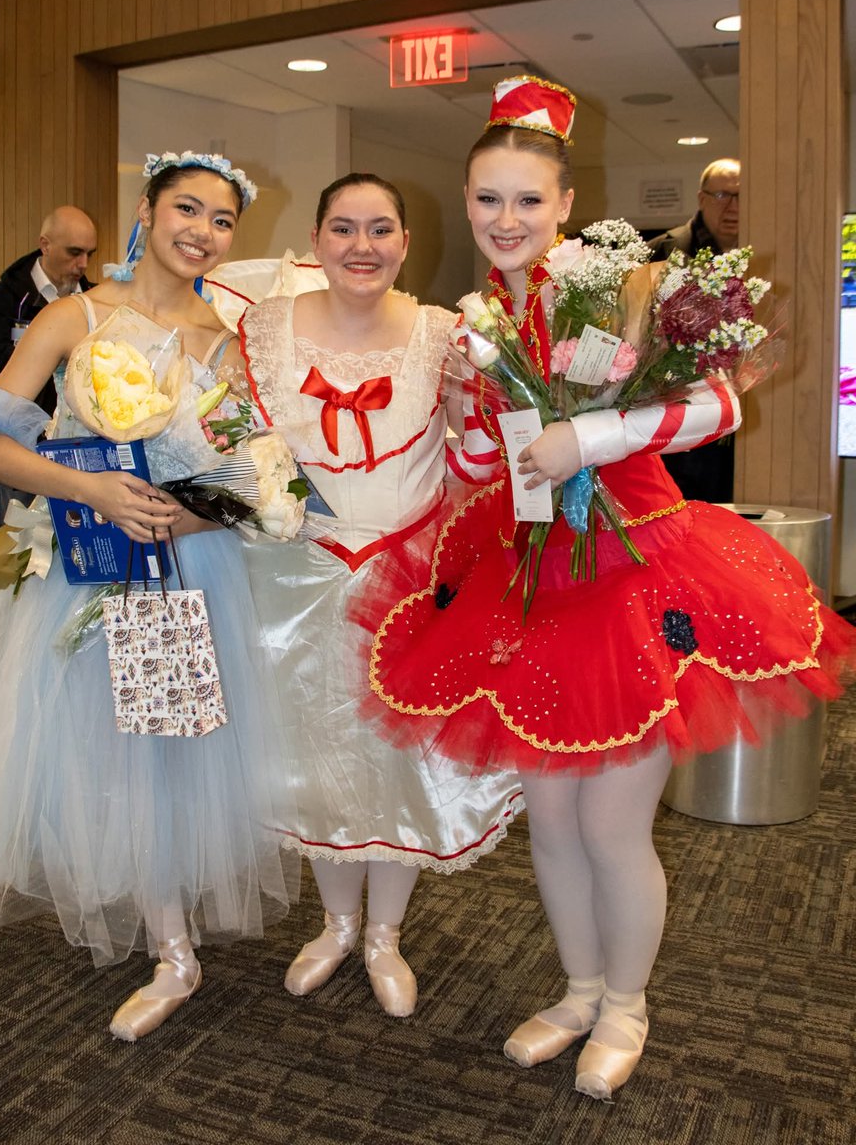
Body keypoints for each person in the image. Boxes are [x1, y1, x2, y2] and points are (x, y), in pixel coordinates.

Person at [364, 79, 856, 1097]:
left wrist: (588, 434)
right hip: (536, 578)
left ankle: (628, 1006)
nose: (507, 221)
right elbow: (478, 463)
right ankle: (581, 988)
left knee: (609, 825)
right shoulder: (477, 324)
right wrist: (461, 439)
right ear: (466, 202)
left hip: (640, 570)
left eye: (528, 201)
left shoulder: (623, 288)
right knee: (550, 822)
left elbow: (718, 405)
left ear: (564, 201)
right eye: (487, 200)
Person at [0, 152, 299, 1041]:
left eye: (221, 220)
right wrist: (87, 489)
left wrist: (192, 518)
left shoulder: (225, 343)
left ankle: (173, 950)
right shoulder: (74, 317)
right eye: (186, 209)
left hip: (179, 574)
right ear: (146, 210)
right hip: (83, 565)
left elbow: (252, 479)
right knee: (95, 746)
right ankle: (160, 930)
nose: (201, 231)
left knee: (163, 751)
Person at [217, 174, 523, 1018]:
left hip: (409, 581)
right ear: (315, 241)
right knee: (312, 752)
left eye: (380, 228)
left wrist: (481, 414)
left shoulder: (444, 335)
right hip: (292, 578)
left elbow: (479, 464)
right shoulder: (261, 328)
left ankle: (385, 934)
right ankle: (336, 924)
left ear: (405, 242)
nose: (362, 245)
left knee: (400, 761)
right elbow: (228, 439)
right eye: (343, 228)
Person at [0, 205, 98, 523]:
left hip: (83, 451)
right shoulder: (3, 300)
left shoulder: (97, 301)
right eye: (74, 252)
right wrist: (51, 353)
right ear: (45, 244)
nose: (83, 264)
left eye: (89, 253)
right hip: (22, 450)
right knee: (21, 546)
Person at [646, 160, 741, 502]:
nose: (734, 206)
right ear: (701, 198)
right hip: (679, 423)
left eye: (742, 196)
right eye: (723, 195)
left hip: (741, 431)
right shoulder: (665, 251)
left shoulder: (763, 255)